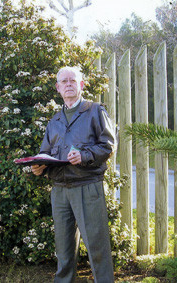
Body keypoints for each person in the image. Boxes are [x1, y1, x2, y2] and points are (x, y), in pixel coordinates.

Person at [31, 66, 115, 283]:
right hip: (59, 190)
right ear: (58, 88)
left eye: (72, 80)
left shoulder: (95, 111)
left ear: (81, 85)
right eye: (64, 82)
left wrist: (85, 156)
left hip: (87, 186)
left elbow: (108, 146)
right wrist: (40, 166)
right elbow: (45, 152)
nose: (68, 84)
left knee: (97, 245)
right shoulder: (55, 121)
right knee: (64, 249)